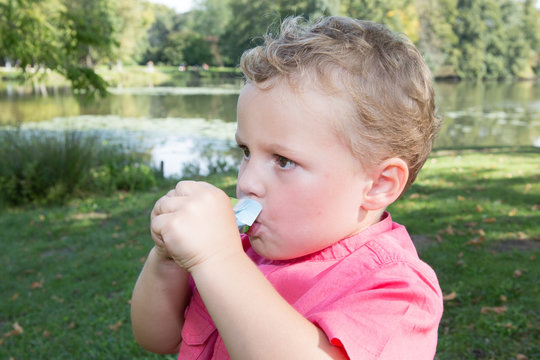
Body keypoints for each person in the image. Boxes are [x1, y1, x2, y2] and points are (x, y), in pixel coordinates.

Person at [131, 16, 443, 360]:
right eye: (246, 152)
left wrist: (218, 260)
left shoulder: (396, 289)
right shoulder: (242, 247)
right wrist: (166, 260)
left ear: (378, 184)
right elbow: (158, 338)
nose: (246, 182)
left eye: (283, 160)